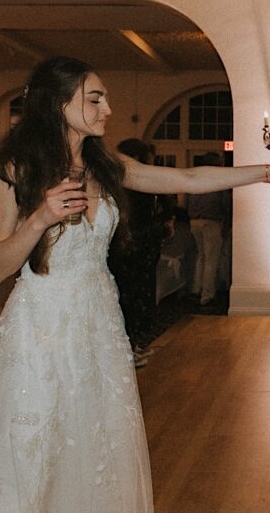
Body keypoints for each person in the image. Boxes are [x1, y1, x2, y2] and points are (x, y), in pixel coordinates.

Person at [0, 56, 270, 512]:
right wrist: (40, 217)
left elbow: (187, 178)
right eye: (95, 99)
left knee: (97, 442)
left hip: (99, 322)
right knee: (36, 444)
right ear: (59, 104)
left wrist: (262, 173)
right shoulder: (14, 169)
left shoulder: (107, 164)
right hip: (42, 327)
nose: (108, 109)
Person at [107, 138, 172, 367]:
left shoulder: (133, 182)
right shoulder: (125, 183)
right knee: (128, 297)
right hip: (130, 247)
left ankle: (132, 345)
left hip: (139, 246)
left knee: (136, 296)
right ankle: (127, 348)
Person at [186, 152, 231, 305]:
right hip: (211, 221)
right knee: (211, 259)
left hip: (194, 221)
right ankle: (207, 295)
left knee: (201, 256)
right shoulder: (217, 181)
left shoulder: (196, 179)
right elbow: (225, 204)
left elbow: (188, 202)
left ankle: (196, 290)